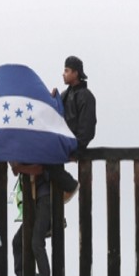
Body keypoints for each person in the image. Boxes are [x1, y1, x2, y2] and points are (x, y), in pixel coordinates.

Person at [49, 55, 95, 198]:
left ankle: (70, 185)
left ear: (76, 73)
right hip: (63, 142)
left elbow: (87, 128)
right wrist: (52, 101)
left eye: (67, 70)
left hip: (73, 145)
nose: (64, 74)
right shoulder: (63, 95)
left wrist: (77, 151)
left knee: (48, 159)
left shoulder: (86, 96)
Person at [7, 165, 54, 276]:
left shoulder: (38, 151)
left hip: (45, 199)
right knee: (17, 241)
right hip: (34, 202)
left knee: (37, 243)